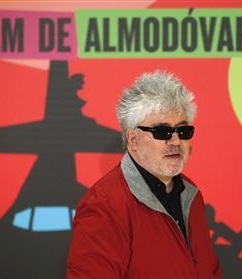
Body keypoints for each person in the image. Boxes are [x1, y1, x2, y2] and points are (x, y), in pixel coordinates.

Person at [67, 71, 221, 278]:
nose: (176, 141)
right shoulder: (104, 207)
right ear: (133, 140)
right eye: (162, 132)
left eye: (183, 131)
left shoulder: (191, 194)